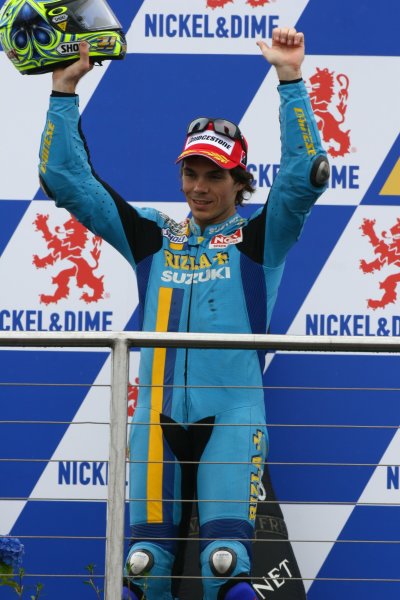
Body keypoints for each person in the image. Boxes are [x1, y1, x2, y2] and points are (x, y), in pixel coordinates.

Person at [38, 27, 329, 600]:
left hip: (232, 420)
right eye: (191, 173)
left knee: (226, 564)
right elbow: (66, 180)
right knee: (144, 568)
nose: (199, 187)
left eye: (215, 175)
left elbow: (303, 179)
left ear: (240, 181)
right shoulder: (153, 234)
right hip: (154, 423)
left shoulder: (258, 237)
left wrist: (291, 80)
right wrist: (64, 90)